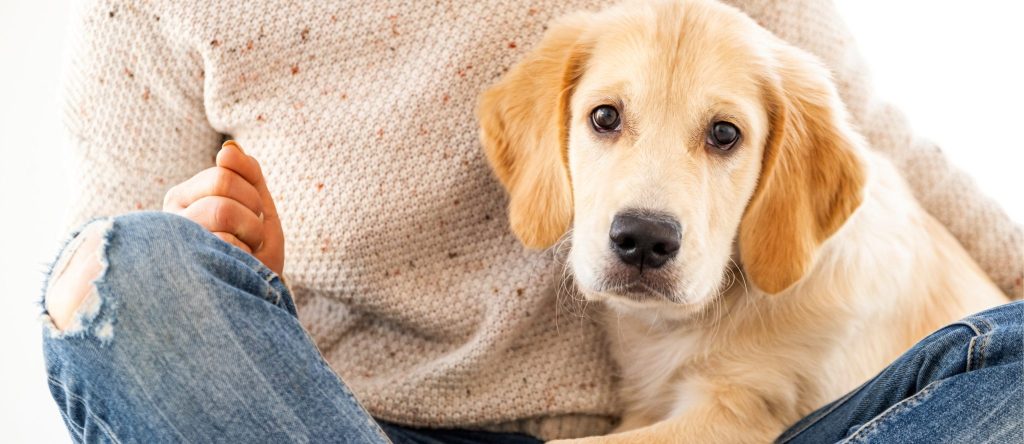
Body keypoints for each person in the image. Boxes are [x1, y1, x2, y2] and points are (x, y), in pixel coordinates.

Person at [41, 0, 1023, 442]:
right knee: (131, 269)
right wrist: (210, 251)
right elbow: (98, 274)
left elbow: (874, 141)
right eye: (607, 120)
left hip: (681, 432)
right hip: (325, 423)